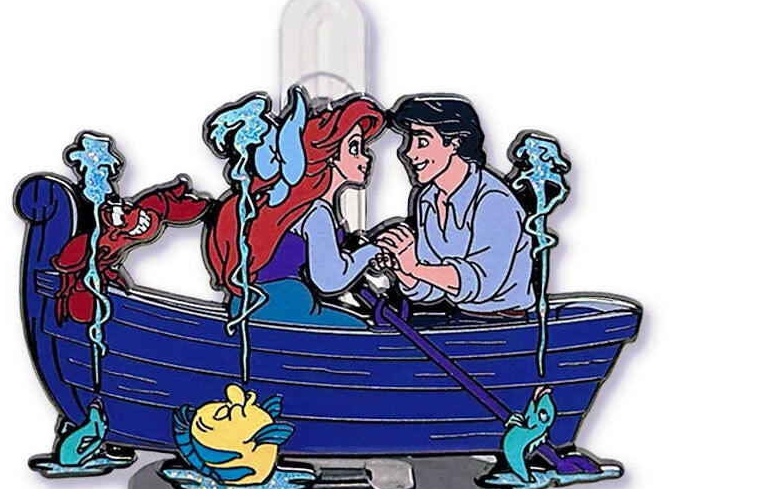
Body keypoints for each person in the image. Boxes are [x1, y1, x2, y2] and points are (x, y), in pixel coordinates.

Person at [204, 95, 387, 322]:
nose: (366, 157)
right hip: (281, 307)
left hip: (253, 304)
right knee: (360, 328)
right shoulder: (316, 213)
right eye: (354, 147)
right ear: (330, 155)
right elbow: (329, 279)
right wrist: (369, 253)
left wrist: (356, 249)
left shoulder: (305, 208)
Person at [375, 95, 534, 318]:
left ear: (455, 143)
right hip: (459, 316)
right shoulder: (427, 198)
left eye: (422, 142)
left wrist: (414, 267)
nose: (409, 153)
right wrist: (401, 267)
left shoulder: (493, 200)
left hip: (506, 321)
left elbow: (481, 283)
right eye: (409, 140)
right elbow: (431, 290)